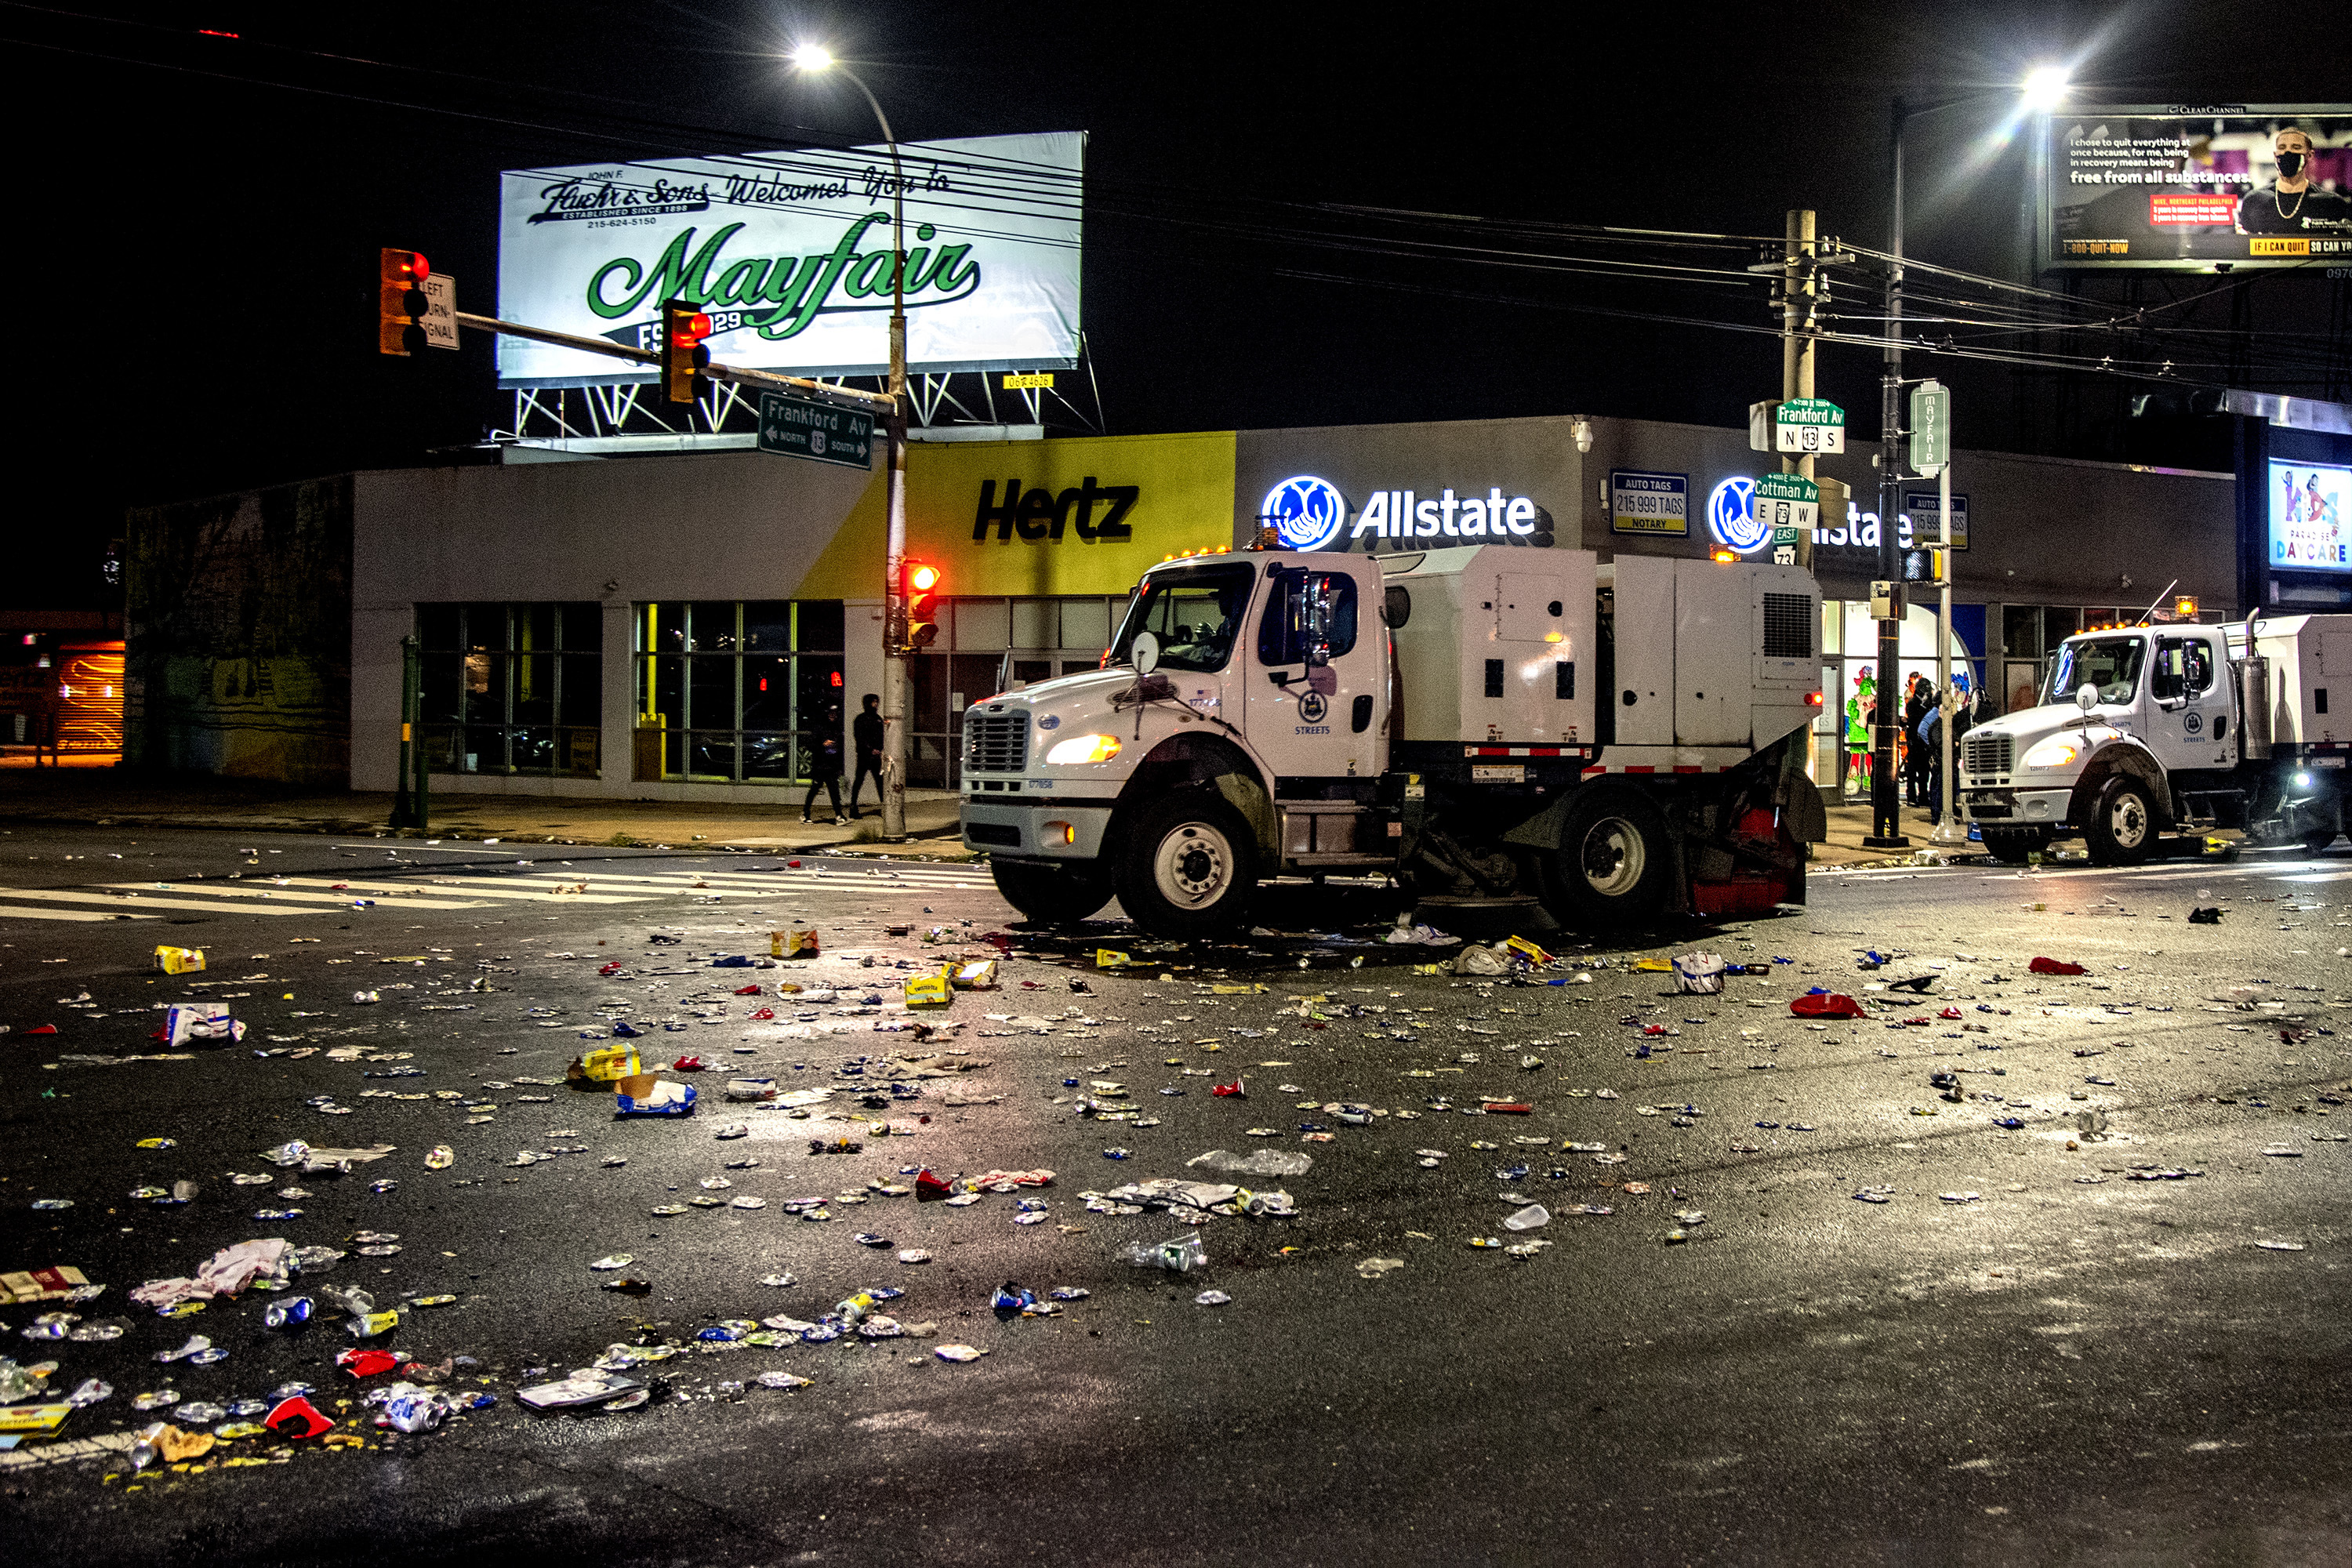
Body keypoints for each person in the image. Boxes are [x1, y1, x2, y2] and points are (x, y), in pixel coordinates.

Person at [2235, 127, 2352, 236]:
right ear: (2275, 155)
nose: (2288, 153)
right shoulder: (2254, 199)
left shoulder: (2331, 203)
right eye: (2282, 148)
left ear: (2309, 155)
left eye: (2296, 148)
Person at [803, 703, 845, 825]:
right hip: (820, 765)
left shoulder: (837, 728)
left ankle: (839, 815)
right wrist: (823, 745)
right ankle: (806, 813)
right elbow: (810, 745)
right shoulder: (819, 728)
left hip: (831, 765)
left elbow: (840, 748)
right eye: (831, 714)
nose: (833, 716)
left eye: (835, 714)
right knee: (815, 789)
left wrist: (839, 766)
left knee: (834, 791)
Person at [848, 692, 884, 818]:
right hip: (864, 756)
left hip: (874, 756)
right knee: (859, 781)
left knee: (880, 782)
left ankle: (885, 806)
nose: (876, 704)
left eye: (877, 702)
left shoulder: (878, 719)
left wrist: (879, 749)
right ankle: (853, 807)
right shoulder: (861, 719)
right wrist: (871, 749)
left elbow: (881, 737)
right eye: (874, 702)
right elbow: (859, 737)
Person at [1902, 675, 1932, 807]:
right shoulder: (1913, 703)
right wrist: (1923, 706)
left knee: (1924, 772)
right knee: (1912, 772)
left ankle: (1923, 796)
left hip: (1925, 743)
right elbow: (1915, 719)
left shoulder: (1928, 703)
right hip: (1914, 742)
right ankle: (1911, 797)